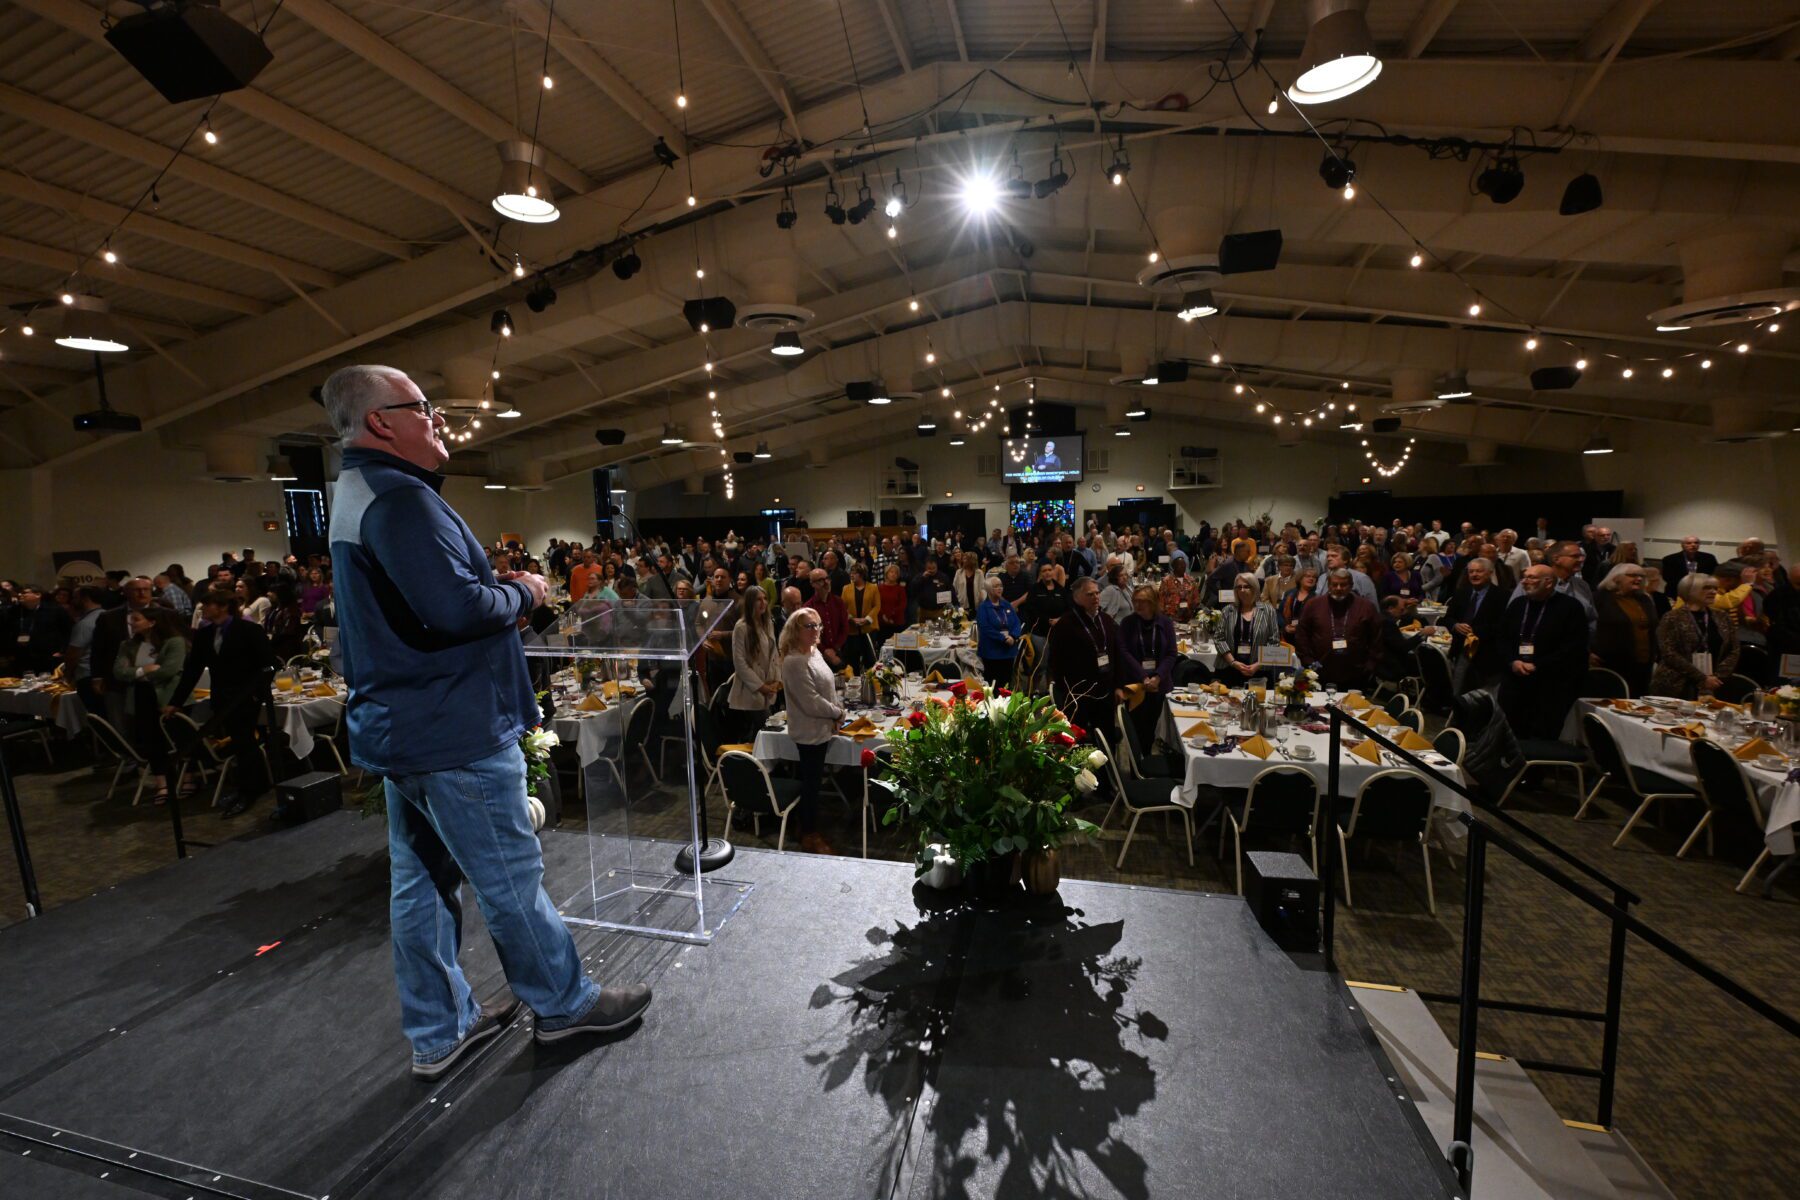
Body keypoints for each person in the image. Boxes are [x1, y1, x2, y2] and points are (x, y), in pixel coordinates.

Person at [315, 364, 648, 1077]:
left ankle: (440, 1029)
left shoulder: (357, 492)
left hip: (405, 730)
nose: (438, 420)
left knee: (423, 883)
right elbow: (457, 610)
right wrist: (523, 590)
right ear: (380, 422)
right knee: (508, 878)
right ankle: (563, 1005)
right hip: (450, 728)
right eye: (423, 408)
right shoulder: (400, 501)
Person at [167, 590, 275, 817]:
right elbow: (192, 670)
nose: (203, 609)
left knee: (245, 742)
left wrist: (257, 693)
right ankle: (252, 786)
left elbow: (268, 664)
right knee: (239, 742)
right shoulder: (205, 635)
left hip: (246, 696)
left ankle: (250, 790)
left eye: (207, 605)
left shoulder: (248, 630)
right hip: (222, 698)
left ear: (223, 606)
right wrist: (176, 701)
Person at [1495, 564, 1590, 740]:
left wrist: (1537, 665)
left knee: (1541, 734)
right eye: (1525, 577)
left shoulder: (1570, 607)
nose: (1525, 582)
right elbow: (1501, 638)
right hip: (1515, 679)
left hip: (1550, 685)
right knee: (1509, 730)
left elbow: (1573, 647)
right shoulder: (1518, 604)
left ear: (1548, 582)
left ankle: (1538, 767)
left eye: (1532, 578)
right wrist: (1512, 661)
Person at [777, 606, 842, 855]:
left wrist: (836, 712)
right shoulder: (793, 661)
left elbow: (827, 687)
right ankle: (809, 834)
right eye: (809, 626)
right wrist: (836, 713)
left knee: (814, 781)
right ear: (795, 630)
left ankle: (803, 826)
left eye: (818, 625)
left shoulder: (814, 652)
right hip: (808, 731)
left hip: (824, 725)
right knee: (811, 784)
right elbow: (810, 700)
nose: (816, 630)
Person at [114, 605, 187, 804]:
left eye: (136, 619)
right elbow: (119, 672)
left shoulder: (174, 642)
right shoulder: (127, 645)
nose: (131, 623)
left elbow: (168, 671)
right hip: (141, 696)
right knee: (151, 741)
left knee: (175, 738)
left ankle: (187, 778)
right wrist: (143, 670)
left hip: (167, 697)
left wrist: (136, 672)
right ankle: (161, 783)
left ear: (152, 622)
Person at [1047, 576, 1129, 745]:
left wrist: (1119, 686)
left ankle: (1107, 771)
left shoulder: (1106, 620)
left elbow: (1117, 655)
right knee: (1077, 741)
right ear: (1077, 597)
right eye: (1090, 594)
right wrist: (1067, 693)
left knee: (1106, 738)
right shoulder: (1065, 625)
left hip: (1105, 692)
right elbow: (1055, 663)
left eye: (1097, 593)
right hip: (1079, 695)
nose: (1096, 597)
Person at [1649, 573, 1740, 699]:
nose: (1713, 591)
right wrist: (1702, 677)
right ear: (1690, 590)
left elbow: (1734, 649)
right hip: (1676, 684)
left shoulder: (1723, 617)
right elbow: (1668, 653)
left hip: (1714, 685)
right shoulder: (1672, 617)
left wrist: (1717, 677)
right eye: (1707, 588)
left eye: (1715, 588)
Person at [1294, 568, 1382, 692]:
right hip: (1320, 671)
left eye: (1343, 584)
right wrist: (1308, 661)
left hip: (1356, 673)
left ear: (1351, 585)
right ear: (1329, 585)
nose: (1339, 588)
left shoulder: (1366, 607)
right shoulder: (1313, 605)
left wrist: (1370, 665)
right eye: (1334, 584)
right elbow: (1302, 635)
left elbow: (1376, 638)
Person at [1119, 584, 1178, 743]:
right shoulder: (1128, 622)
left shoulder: (1165, 622)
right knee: (1135, 730)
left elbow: (1172, 653)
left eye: (1142, 601)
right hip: (1136, 685)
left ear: (1152, 602)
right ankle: (1136, 765)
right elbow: (1124, 652)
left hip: (1159, 685)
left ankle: (1148, 762)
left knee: (1153, 729)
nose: (1137, 605)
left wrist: (1157, 677)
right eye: (1135, 600)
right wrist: (1144, 677)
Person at [1592, 563, 1658, 697]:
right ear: (1616, 578)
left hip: (1642, 664)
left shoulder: (1644, 599)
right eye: (1632, 575)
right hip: (1610, 663)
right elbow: (1586, 625)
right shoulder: (1600, 598)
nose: (1638, 579)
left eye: (1641, 576)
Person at [725, 584, 780, 742]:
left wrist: (777, 681)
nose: (763, 603)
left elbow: (774, 654)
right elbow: (739, 663)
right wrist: (760, 687)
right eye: (758, 600)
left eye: (765, 599)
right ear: (750, 603)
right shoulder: (741, 627)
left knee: (764, 731)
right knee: (764, 731)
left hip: (769, 686)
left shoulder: (768, 622)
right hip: (752, 689)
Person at [1444, 557, 1505, 691]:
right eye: (1471, 572)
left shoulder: (1502, 596)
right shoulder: (1461, 592)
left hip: (1487, 653)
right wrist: (1455, 625)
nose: (1474, 575)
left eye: (1479, 571)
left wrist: (1474, 631)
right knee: (1458, 690)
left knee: (1480, 694)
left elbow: (1503, 626)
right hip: (1461, 649)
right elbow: (1448, 618)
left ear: (1490, 573)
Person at [1218, 573, 1283, 682]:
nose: (1242, 590)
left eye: (1247, 586)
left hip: (1260, 670)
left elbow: (1274, 642)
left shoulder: (1268, 611)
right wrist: (1233, 662)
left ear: (1255, 588)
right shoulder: (1228, 610)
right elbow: (1219, 639)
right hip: (1230, 668)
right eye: (1239, 587)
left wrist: (1258, 665)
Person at [3, 585, 72, 674]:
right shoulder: (13, 611)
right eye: (20, 593)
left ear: (38, 595)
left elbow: (68, 631)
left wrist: (62, 651)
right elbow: (6, 632)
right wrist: (9, 653)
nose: (20, 595)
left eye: (25, 593)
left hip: (48, 656)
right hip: (21, 657)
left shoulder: (55, 610)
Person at [975, 575, 1024, 686]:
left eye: (1001, 586)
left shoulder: (1006, 605)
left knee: (1006, 683)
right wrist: (1003, 638)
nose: (1000, 588)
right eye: (996, 586)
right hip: (991, 652)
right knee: (993, 684)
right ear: (988, 589)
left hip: (1008, 651)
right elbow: (985, 628)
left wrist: (1013, 636)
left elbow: (1016, 623)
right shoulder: (983, 607)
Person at [802, 567, 848, 669]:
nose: (826, 582)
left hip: (839, 652)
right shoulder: (808, 607)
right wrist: (824, 650)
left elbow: (844, 628)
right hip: (817, 656)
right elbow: (810, 635)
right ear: (812, 584)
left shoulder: (838, 602)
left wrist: (834, 649)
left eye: (827, 578)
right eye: (821, 580)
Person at [841, 561, 882, 670]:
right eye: (851, 572)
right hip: (852, 629)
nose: (851, 575)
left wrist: (867, 619)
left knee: (870, 660)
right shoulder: (846, 588)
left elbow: (877, 606)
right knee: (853, 660)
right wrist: (851, 618)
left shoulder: (873, 587)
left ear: (862, 574)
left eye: (855, 573)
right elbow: (842, 608)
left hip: (869, 629)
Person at [1020, 562, 1069, 637]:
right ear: (1040, 574)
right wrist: (1047, 620)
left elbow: (1068, 608)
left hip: (1060, 628)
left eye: (1050, 570)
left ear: (1053, 571)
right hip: (1039, 631)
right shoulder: (1034, 589)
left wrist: (1059, 619)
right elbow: (1030, 609)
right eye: (1044, 570)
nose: (1047, 572)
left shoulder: (1061, 589)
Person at [1277, 566, 1319, 641]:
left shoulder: (1317, 598)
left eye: (1314, 577)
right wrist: (1285, 626)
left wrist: (1299, 628)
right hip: (1287, 635)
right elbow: (1279, 613)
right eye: (1308, 576)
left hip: (1306, 638)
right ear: (1300, 578)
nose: (1311, 579)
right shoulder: (1289, 593)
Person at [1159, 557, 1202, 623]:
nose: (1183, 567)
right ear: (1174, 567)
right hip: (1171, 618)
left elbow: (1196, 600)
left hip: (1188, 618)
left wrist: (1191, 609)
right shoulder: (1166, 581)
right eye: (1180, 565)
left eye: (1184, 565)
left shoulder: (1191, 581)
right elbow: (1161, 601)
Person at [877, 563, 909, 633]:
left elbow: (902, 605)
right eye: (891, 572)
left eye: (896, 573)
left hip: (897, 622)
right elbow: (877, 604)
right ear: (886, 573)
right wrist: (883, 616)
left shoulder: (901, 589)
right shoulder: (879, 588)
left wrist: (890, 616)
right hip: (882, 622)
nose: (893, 574)